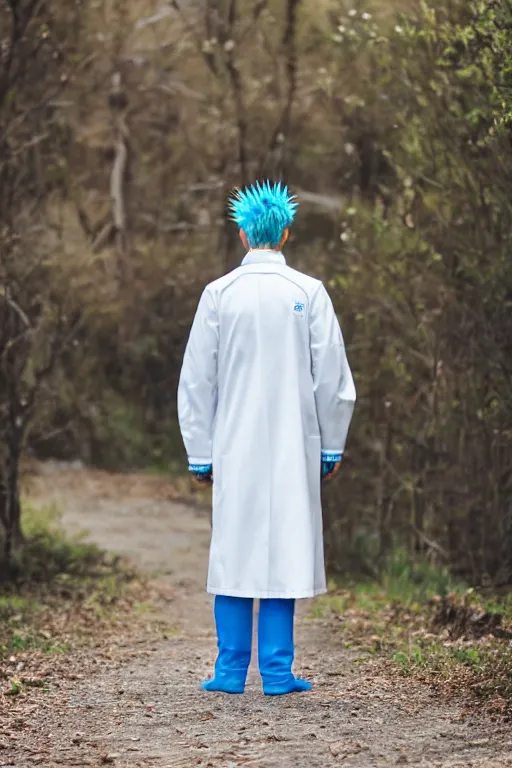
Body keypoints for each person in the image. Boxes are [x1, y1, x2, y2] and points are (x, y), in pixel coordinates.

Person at [177, 180, 356, 695]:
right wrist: (331, 444)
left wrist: (200, 451)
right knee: (286, 547)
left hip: (232, 446)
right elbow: (333, 380)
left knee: (234, 547)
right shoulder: (308, 292)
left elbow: (196, 381)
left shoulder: (219, 295)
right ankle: (277, 673)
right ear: (286, 232)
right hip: (292, 446)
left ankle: (230, 671)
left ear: (240, 233)